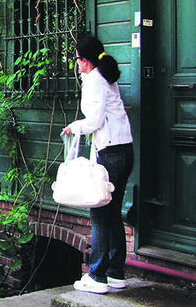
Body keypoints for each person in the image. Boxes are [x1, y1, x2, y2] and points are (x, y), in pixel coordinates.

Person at [62, 35, 134, 294]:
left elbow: (93, 121)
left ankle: (97, 276)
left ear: (87, 61)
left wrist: (73, 127)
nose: (76, 64)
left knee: (100, 214)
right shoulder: (105, 77)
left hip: (110, 152)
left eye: (78, 59)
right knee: (113, 213)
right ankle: (115, 274)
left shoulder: (94, 82)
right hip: (125, 150)